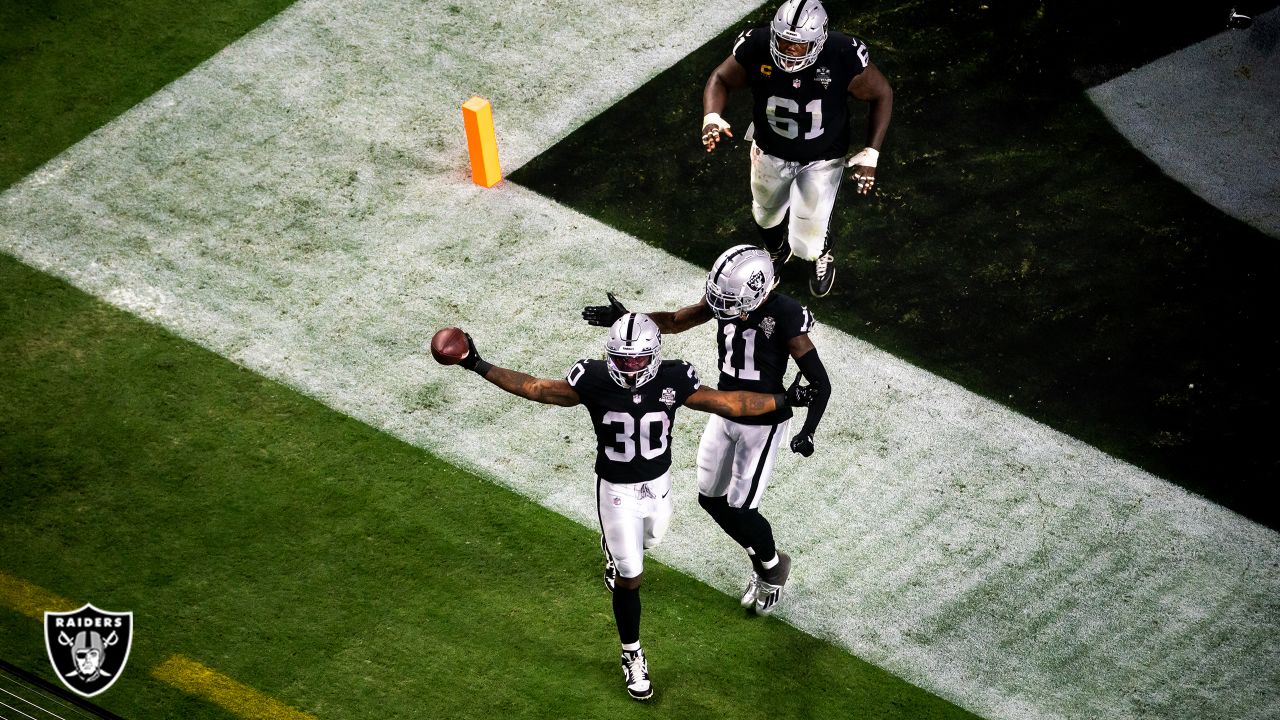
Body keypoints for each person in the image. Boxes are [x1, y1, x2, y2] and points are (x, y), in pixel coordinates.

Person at [448, 313, 812, 701]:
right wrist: (476, 362)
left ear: (655, 355)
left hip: (658, 486)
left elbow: (728, 402)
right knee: (631, 573)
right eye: (622, 359)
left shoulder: (675, 378)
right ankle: (632, 655)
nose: (629, 366)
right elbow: (537, 388)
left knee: (651, 540)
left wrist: (784, 399)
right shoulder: (593, 378)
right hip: (616, 490)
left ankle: (618, 552)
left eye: (637, 359)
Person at [583, 244, 832, 617]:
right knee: (710, 499)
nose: (720, 307)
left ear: (757, 289)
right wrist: (630, 320)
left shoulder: (786, 313)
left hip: (763, 422)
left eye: (729, 300)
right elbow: (676, 320)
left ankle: (771, 568)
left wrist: (808, 429)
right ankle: (760, 556)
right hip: (724, 408)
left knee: (743, 509)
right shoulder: (730, 300)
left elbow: (820, 383)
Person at [700, 0, 893, 298]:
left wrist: (872, 152)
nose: (789, 49)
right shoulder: (758, 44)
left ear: (818, 41)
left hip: (823, 156)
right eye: (784, 40)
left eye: (798, 44)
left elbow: (882, 93)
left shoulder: (842, 54)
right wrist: (711, 116)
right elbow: (720, 77)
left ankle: (823, 251)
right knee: (765, 214)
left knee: (809, 243)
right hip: (769, 147)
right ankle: (776, 253)